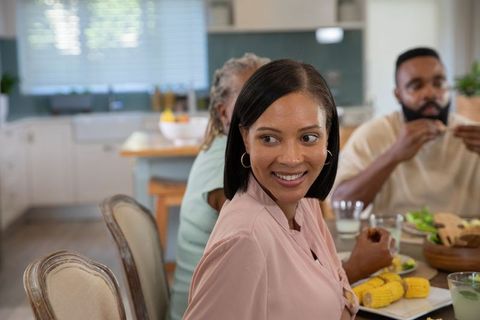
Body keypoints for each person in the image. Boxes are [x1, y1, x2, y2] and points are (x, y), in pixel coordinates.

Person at [184, 59, 359, 320]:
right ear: (245, 138)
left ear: (328, 134)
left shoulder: (304, 201)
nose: (291, 159)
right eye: (269, 138)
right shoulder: (245, 241)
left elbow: (340, 294)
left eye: (308, 137)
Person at [169, 53, 270, 320]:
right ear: (223, 112)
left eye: (272, 96)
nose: (265, 107)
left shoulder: (234, 152)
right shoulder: (222, 161)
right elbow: (266, 236)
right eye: (250, 99)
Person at [332, 47, 480, 217]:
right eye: (416, 86)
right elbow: (340, 205)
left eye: (438, 83)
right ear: (398, 95)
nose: (430, 93)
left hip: (464, 242)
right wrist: (394, 155)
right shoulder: (373, 134)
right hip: (393, 241)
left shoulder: (472, 134)